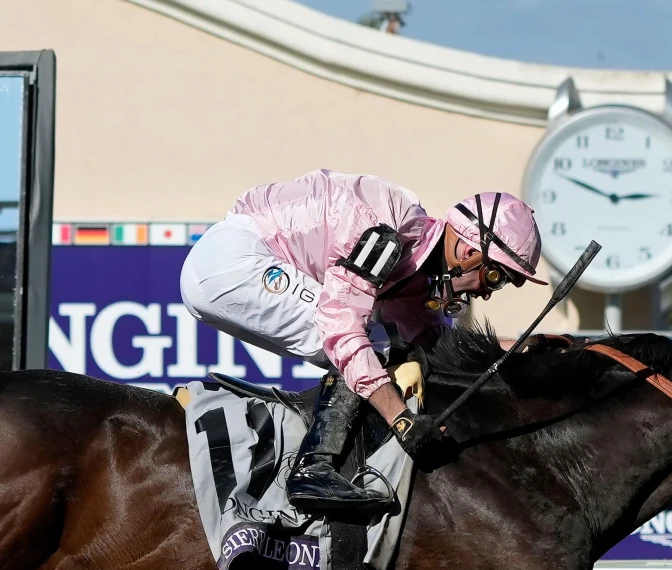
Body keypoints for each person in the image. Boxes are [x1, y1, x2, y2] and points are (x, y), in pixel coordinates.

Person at [179, 169, 542, 517]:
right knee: (364, 343)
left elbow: (434, 344)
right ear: (469, 252)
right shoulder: (389, 230)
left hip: (232, 263)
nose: (488, 293)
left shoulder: (414, 264)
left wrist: (530, 347)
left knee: (390, 349)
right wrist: (401, 420)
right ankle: (313, 468)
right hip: (232, 262)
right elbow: (342, 325)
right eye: (495, 277)